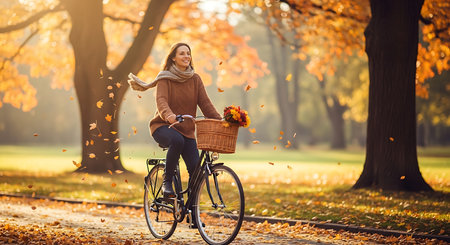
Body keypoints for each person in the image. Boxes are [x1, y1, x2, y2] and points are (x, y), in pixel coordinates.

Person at [128, 43, 221, 225]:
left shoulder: (195, 79)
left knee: (196, 172)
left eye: (188, 53)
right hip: (163, 126)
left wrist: (222, 121)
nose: (186, 56)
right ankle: (167, 183)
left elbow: (206, 104)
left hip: (187, 131)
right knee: (176, 141)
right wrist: (169, 116)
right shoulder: (165, 78)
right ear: (173, 57)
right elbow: (161, 101)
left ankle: (193, 215)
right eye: (182, 53)